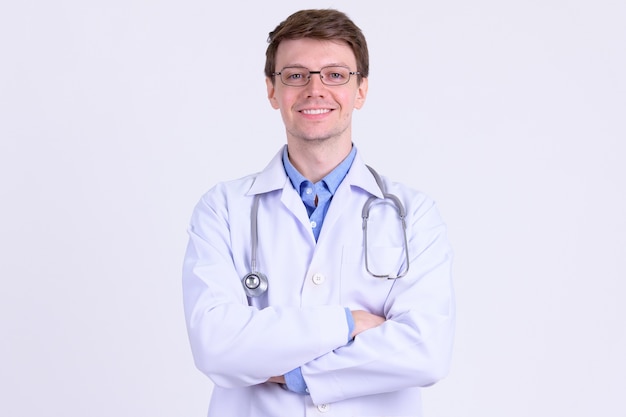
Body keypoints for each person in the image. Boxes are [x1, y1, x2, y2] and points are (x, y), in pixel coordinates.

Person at [182, 8, 455, 417]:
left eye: (335, 74)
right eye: (295, 75)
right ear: (272, 91)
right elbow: (216, 345)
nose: (315, 89)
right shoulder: (222, 208)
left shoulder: (413, 214)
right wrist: (349, 322)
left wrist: (291, 373)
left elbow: (425, 351)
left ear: (361, 90)